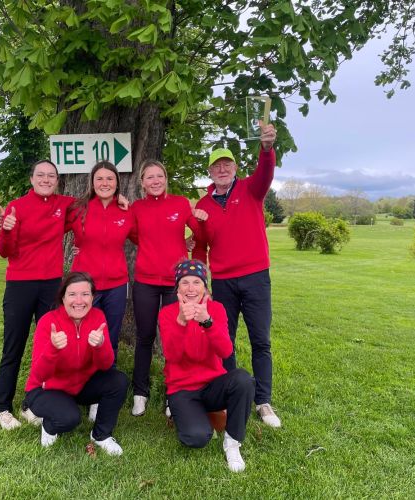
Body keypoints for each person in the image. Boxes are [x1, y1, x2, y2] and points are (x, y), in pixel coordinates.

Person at [192, 123, 282, 427]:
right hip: (224, 282)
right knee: (225, 340)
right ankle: (232, 395)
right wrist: (197, 282)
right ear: (209, 172)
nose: (222, 169)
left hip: (256, 276)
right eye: (216, 166)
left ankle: (263, 401)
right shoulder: (202, 205)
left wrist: (267, 149)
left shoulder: (250, 189)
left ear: (234, 168)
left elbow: (265, 173)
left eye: (227, 164)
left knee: (260, 340)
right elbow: (201, 245)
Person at [0, 159, 75, 430]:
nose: (46, 179)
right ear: (31, 179)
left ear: (57, 180)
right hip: (20, 284)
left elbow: (94, 204)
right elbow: (4, 251)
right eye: (41, 175)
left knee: (47, 347)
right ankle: (2, 407)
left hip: (51, 285)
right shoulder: (17, 206)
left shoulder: (64, 204)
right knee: (13, 345)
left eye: (51, 175)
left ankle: (32, 403)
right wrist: (5, 229)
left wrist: (120, 197)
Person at [159, 260, 254, 472]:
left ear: (205, 286)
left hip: (212, 385)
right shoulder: (167, 312)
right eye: (184, 282)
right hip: (182, 388)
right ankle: (183, 412)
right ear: (177, 287)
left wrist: (208, 322)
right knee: (196, 438)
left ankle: (232, 442)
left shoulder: (217, 309)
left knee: (243, 380)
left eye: (196, 282)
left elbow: (226, 352)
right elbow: (171, 356)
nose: (191, 288)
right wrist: (181, 323)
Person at [129, 159, 207, 416]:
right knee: (145, 337)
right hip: (145, 282)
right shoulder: (137, 208)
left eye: (159, 176)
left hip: (176, 285)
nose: (155, 181)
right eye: (149, 177)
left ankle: (174, 393)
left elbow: (200, 233)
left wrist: (199, 223)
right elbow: (131, 235)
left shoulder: (181, 203)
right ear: (142, 182)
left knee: (175, 338)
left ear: (165, 178)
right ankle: (140, 392)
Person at [23, 272, 128, 455]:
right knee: (70, 418)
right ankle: (48, 425)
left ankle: (101, 435)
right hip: (45, 389)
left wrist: (101, 345)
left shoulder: (97, 317)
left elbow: (105, 365)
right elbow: (39, 375)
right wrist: (53, 349)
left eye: (85, 294)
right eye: (72, 294)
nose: (79, 300)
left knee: (118, 380)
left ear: (92, 297)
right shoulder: (48, 322)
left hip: (79, 386)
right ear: (63, 297)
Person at [67, 161, 134, 363]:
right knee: (81, 335)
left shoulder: (127, 211)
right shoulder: (78, 209)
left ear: (117, 183)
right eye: (100, 178)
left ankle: (107, 380)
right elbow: (49, 230)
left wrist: (184, 242)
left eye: (110, 178)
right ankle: (80, 381)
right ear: (92, 182)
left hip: (117, 286)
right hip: (84, 285)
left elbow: (149, 237)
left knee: (110, 337)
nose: (105, 183)